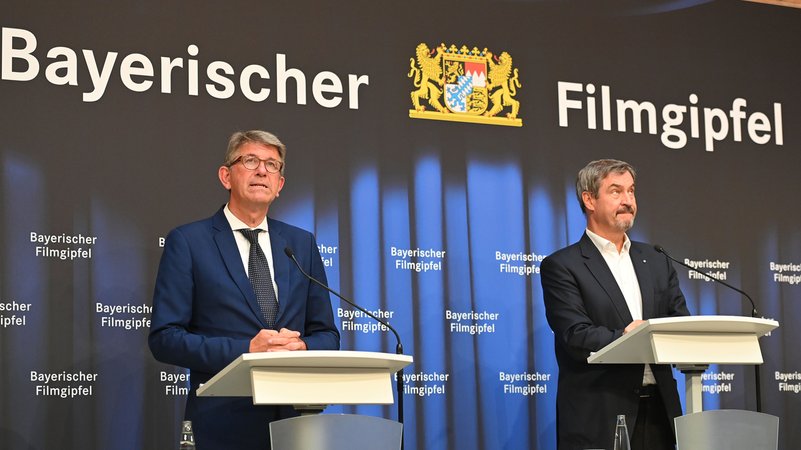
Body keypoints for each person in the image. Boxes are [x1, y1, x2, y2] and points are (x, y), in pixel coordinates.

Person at [148, 130, 340, 450]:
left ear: (279, 186)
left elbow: (327, 334)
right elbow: (165, 338)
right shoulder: (190, 242)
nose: (262, 171)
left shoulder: (300, 244)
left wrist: (302, 347)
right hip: (221, 423)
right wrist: (247, 351)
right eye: (250, 161)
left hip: (295, 420)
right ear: (226, 176)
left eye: (272, 165)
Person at [540, 159, 690, 450]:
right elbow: (575, 334)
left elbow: (678, 318)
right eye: (616, 191)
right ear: (589, 199)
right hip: (600, 414)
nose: (628, 201)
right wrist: (626, 336)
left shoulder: (657, 259)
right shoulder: (563, 265)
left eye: (631, 191)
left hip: (660, 413)